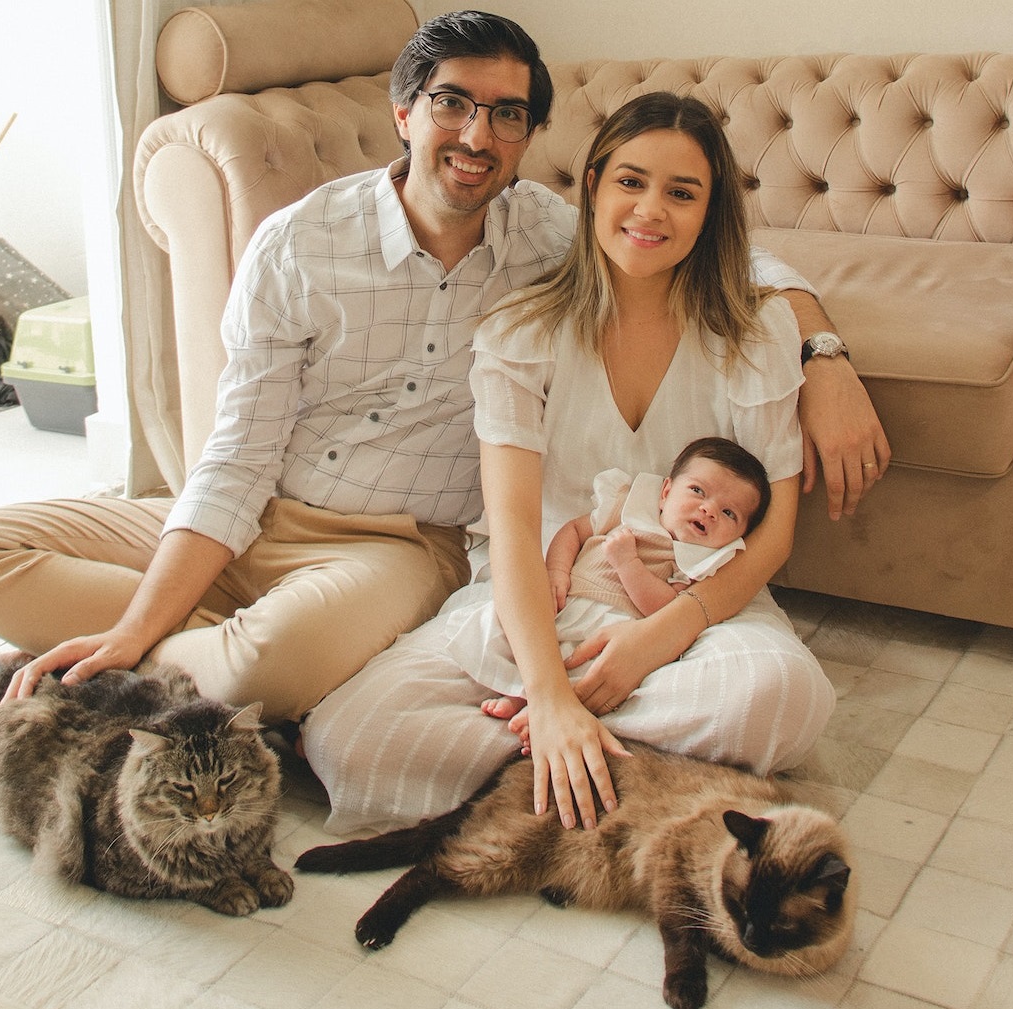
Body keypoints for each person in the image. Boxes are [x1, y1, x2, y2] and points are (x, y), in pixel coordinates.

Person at [0, 13, 881, 730]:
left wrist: (825, 353)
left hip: (398, 545)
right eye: (453, 105)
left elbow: (726, 255)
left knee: (275, 663)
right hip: (264, 514)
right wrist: (141, 618)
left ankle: (25, 671)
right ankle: (142, 645)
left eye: (508, 115)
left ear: (531, 136)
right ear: (404, 111)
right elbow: (232, 457)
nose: (477, 136)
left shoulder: (546, 235)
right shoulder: (298, 245)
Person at [301, 90, 837, 836]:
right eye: (631, 181)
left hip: (695, 608)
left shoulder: (758, 333)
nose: (651, 210)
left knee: (784, 697)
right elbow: (516, 528)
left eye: (682, 193)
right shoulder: (521, 330)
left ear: (711, 212)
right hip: (544, 602)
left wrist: (654, 640)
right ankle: (605, 759)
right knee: (350, 736)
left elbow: (772, 535)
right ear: (592, 187)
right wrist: (550, 694)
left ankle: (563, 760)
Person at [467, 435, 772, 726]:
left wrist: (629, 564)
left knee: (588, 668)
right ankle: (520, 690)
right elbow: (573, 532)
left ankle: (541, 708)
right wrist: (556, 572)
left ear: (740, 535)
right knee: (508, 630)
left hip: (613, 625)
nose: (708, 510)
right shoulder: (626, 508)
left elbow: (665, 607)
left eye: (729, 512)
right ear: (666, 492)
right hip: (565, 601)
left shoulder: (696, 562)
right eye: (698, 491)